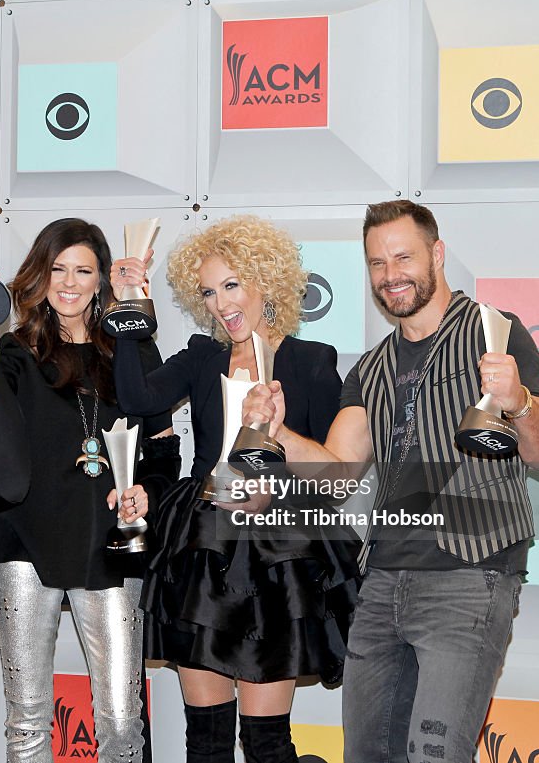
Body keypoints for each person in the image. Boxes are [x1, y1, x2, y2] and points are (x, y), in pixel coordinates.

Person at [242, 200, 539, 763]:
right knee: (367, 754)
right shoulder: (370, 367)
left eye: (403, 257)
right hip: (383, 584)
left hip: (470, 577)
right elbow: (338, 473)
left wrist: (519, 404)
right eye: (376, 263)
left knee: (435, 754)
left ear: (437, 255)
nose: (390, 275)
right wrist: (281, 435)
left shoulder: (495, 335)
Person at [110, 215, 360, 763]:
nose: (221, 302)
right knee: (205, 740)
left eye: (231, 284)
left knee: (267, 743)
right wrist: (128, 305)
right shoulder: (203, 357)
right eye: (208, 291)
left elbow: (330, 478)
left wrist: (282, 437)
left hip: (276, 560)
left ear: (263, 281)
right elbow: (134, 398)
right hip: (203, 551)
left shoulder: (311, 362)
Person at [0, 218, 180, 763]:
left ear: (102, 282)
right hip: (23, 542)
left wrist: (147, 492)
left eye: (84, 270)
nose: (69, 282)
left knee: (122, 721)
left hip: (109, 543)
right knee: (27, 721)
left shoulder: (131, 352)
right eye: (57, 269)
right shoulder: (17, 353)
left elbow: (164, 450)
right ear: (40, 278)